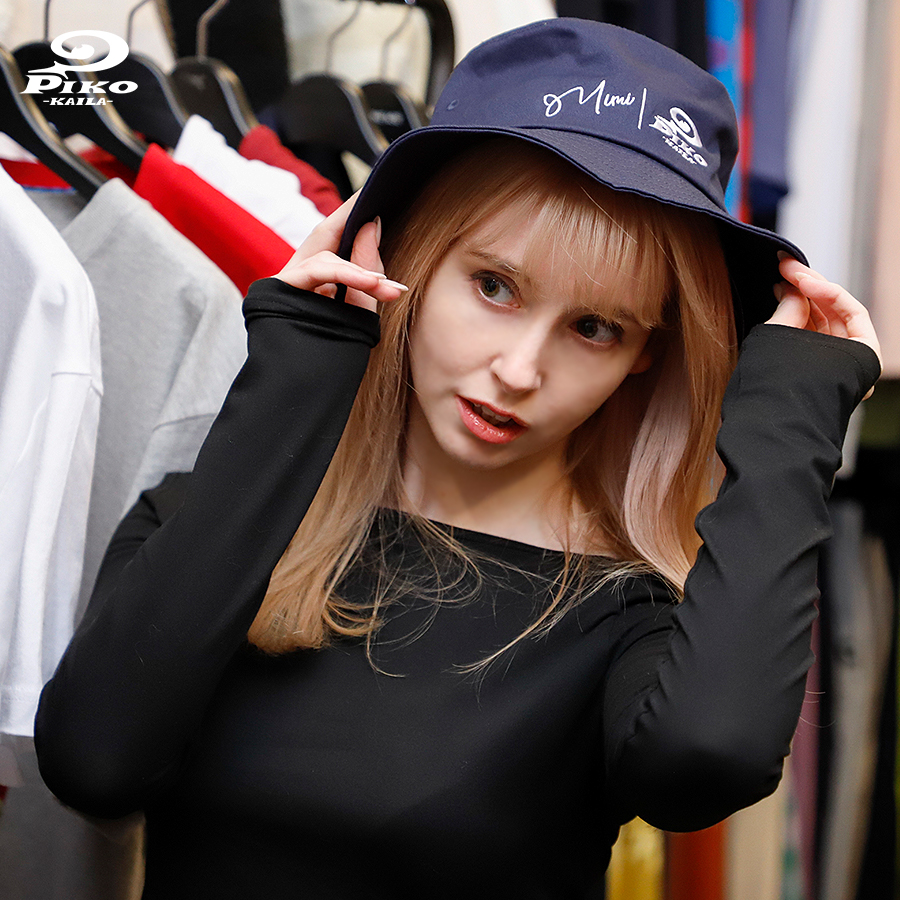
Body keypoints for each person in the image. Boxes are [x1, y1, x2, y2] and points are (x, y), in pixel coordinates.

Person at [34, 19, 880, 900]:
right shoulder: (207, 516)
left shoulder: (633, 610)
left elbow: (707, 761)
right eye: (494, 286)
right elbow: (94, 761)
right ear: (408, 256)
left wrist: (792, 423)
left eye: (595, 327)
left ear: (644, 356)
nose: (519, 370)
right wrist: (299, 368)